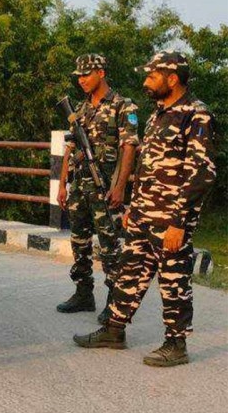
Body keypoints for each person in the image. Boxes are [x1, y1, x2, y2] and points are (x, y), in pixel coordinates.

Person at [74, 51, 217, 367]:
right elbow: (146, 166)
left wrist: (179, 222)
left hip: (171, 218)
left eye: (152, 76)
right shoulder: (157, 114)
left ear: (172, 78)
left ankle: (176, 344)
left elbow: (201, 173)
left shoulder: (196, 115)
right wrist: (134, 206)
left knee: (173, 280)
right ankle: (114, 330)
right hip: (143, 213)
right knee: (129, 271)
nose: (146, 82)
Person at [56, 54, 139, 321]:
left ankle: (115, 303)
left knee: (110, 246)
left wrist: (120, 187)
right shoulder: (80, 109)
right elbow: (70, 148)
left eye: (86, 74)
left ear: (101, 73)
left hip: (106, 187)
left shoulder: (122, 106)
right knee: (79, 241)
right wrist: (62, 184)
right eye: (78, 76)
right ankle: (84, 293)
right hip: (80, 186)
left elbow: (129, 147)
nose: (81, 80)